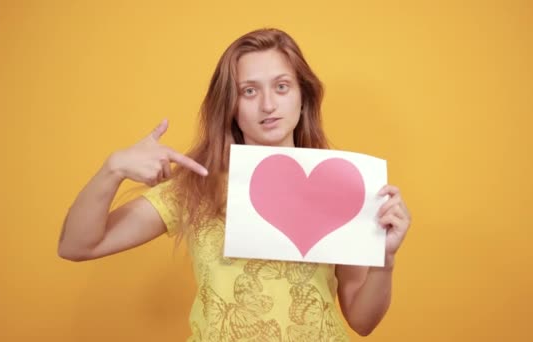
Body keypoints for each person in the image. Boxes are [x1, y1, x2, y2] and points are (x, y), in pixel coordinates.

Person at [58, 28, 411, 341]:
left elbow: (363, 322)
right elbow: (76, 246)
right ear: (231, 105)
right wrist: (112, 169)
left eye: (282, 86)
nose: (268, 104)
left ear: (302, 97)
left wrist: (385, 259)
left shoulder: (339, 186)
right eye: (249, 91)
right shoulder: (195, 185)